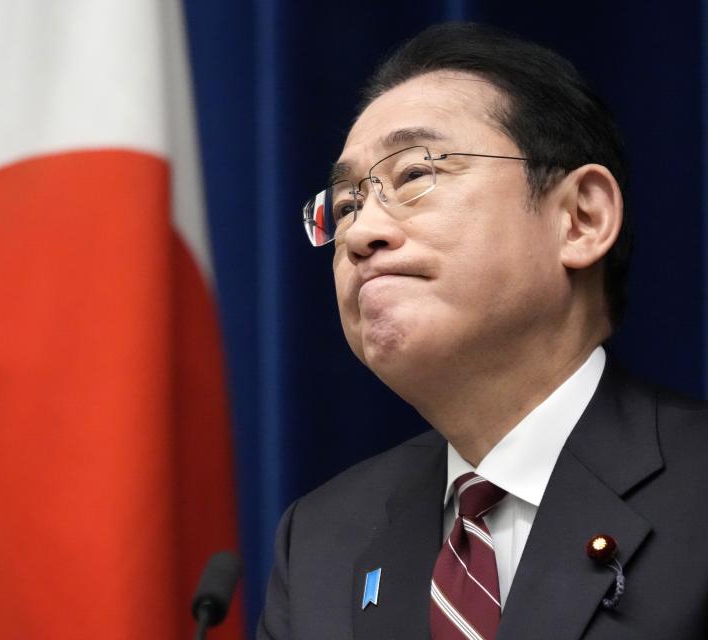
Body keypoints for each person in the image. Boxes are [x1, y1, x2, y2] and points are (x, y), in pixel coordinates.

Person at [259, 22, 708, 640]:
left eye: (414, 175)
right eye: (345, 207)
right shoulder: (320, 541)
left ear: (581, 219)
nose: (360, 235)